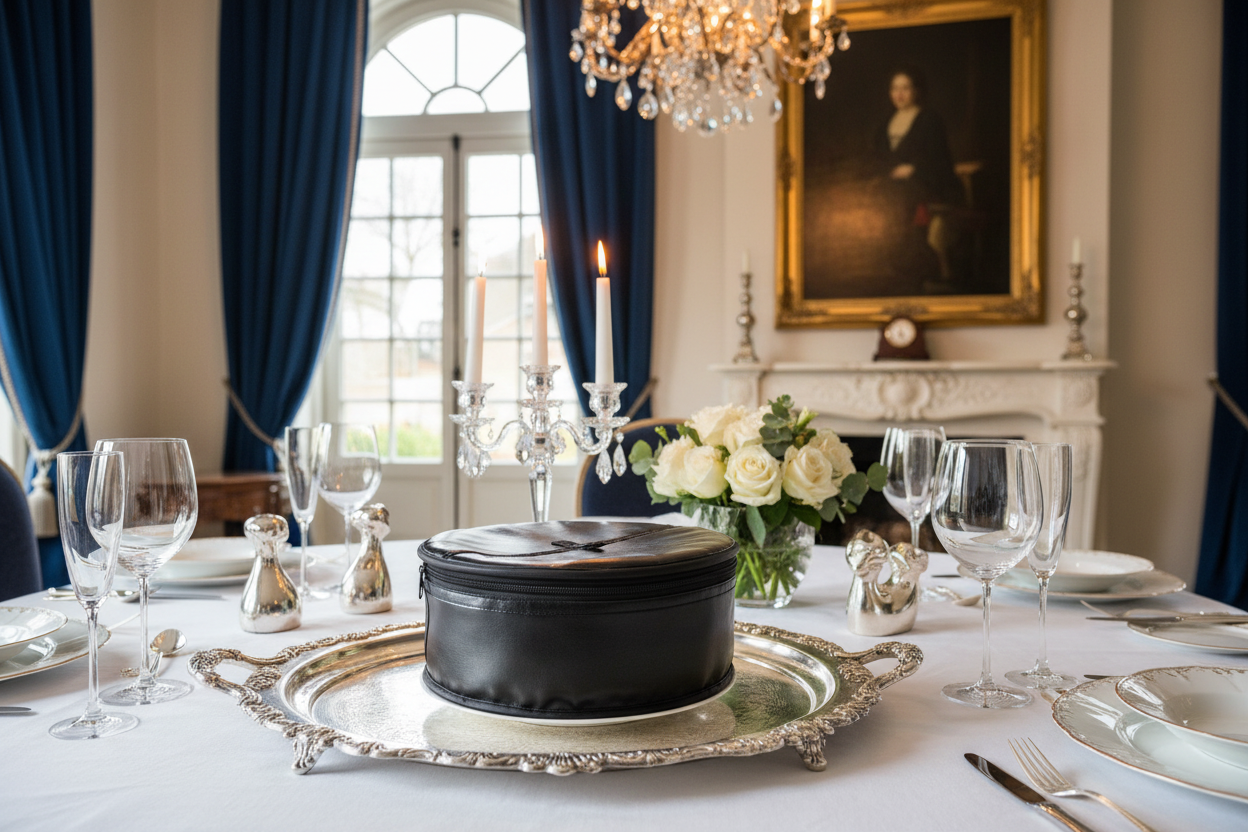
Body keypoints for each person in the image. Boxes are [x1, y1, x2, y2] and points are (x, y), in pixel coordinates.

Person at [874, 67, 964, 287]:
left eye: (905, 88)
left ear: (917, 91)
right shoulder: (887, 123)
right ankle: (892, 263)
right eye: (895, 88)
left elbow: (940, 160)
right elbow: (878, 159)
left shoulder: (929, 120)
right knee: (879, 196)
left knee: (902, 199)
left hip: (929, 183)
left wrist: (913, 170)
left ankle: (917, 268)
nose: (899, 94)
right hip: (895, 185)